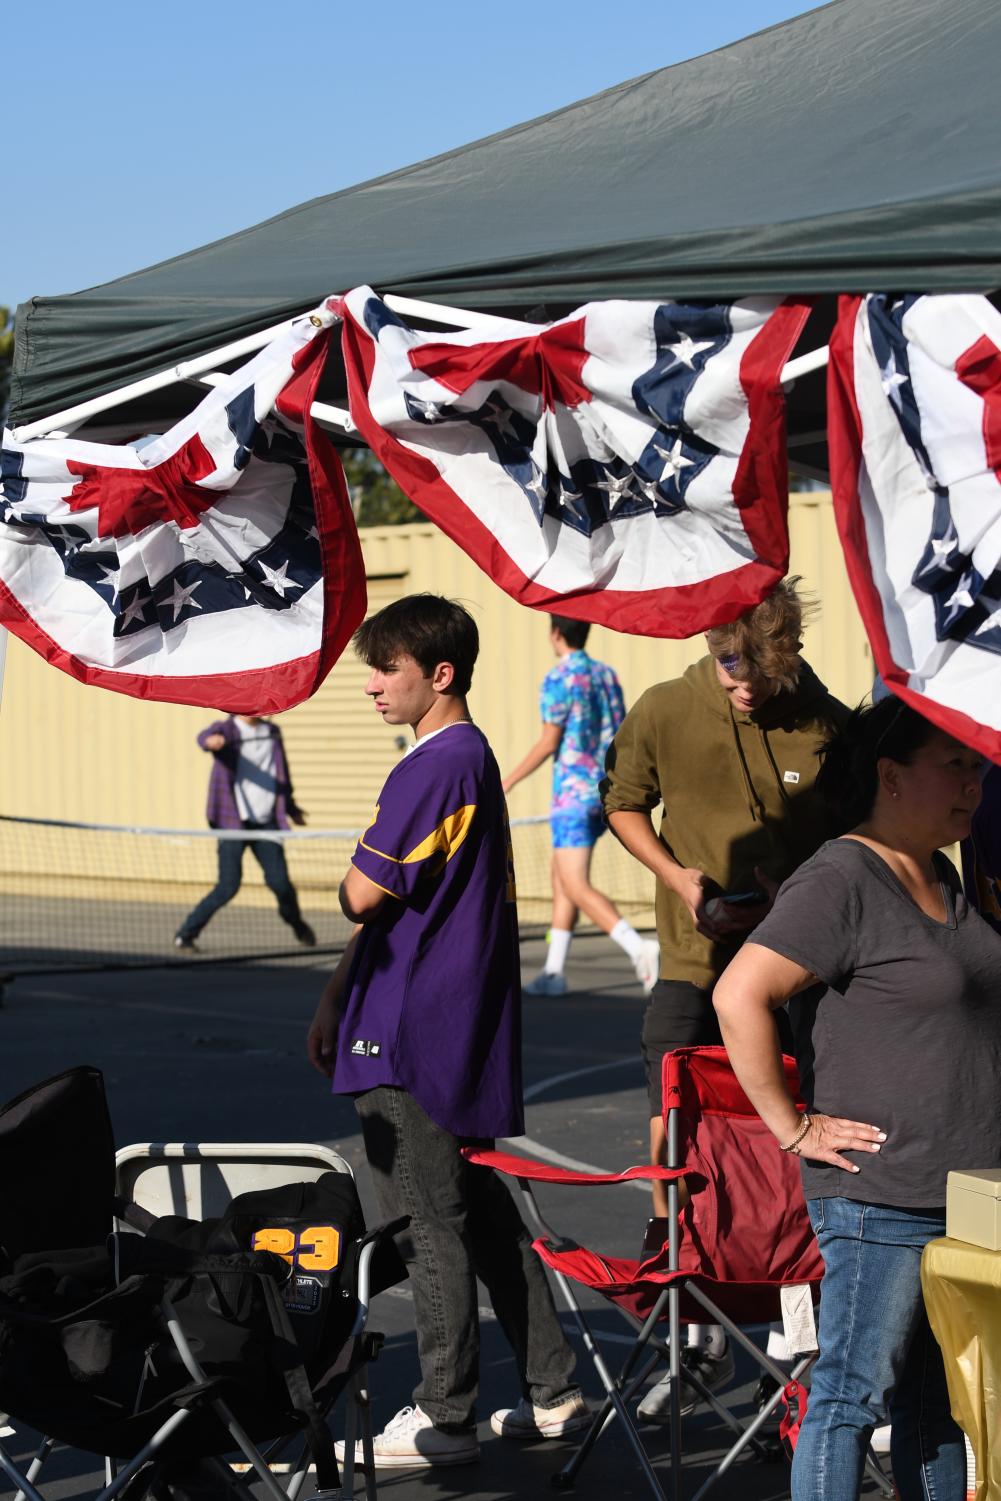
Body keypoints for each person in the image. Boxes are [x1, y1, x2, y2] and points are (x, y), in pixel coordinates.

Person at [307, 594, 587, 1468]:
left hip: (413, 1032)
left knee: (427, 1219)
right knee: (483, 1209)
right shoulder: (466, 760)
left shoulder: (435, 764)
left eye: (384, 669)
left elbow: (364, 891)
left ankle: (445, 1414)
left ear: (440, 674)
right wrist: (335, 990)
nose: (370, 687)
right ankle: (555, 1391)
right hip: (439, 1021)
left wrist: (355, 891)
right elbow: (394, 908)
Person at [713, 696, 1000, 1501]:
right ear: (890, 775)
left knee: (939, 1405)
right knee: (848, 1396)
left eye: (977, 768)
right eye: (955, 765)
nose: (972, 785)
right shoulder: (843, 874)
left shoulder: (943, 872)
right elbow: (740, 993)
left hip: (966, 1193)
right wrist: (791, 1126)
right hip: (883, 1195)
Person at [600, 577, 848, 1420]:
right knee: (676, 1124)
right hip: (692, 963)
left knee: (802, 1131)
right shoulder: (665, 706)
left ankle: (799, 1329)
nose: (743, 684)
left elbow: (857, 826)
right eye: (729, 667)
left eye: (759, 674)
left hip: (800, 970)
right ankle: (692, 1330)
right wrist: (679, 878)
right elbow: (622, 804)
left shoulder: (826, 719)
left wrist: (802, 892)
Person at [503, 615, 659, 995]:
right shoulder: (605, 675)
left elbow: (548, 741)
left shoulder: (559, 678)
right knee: (561, 878)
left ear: (556, 633)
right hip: (603, 789)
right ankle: (554, 973)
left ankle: (640, 947)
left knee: (574, 881)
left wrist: (504, 781)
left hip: (572, 795)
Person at [174, 713, 315, 950]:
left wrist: (290, 807)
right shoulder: (227, 730)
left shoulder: (272, 732)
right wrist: (212, 742)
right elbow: (204, 738)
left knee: (280, 883)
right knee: (228, 886)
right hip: (233, 823)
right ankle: (186, 934)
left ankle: (297, 924)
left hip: (266, 822)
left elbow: (281, 773)